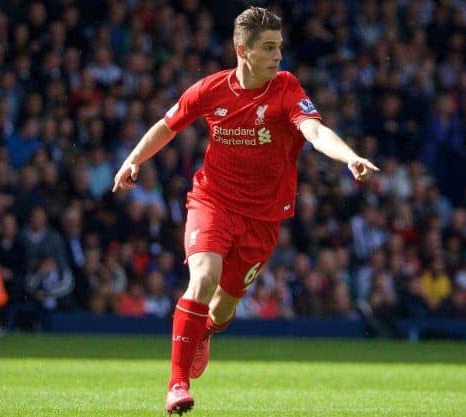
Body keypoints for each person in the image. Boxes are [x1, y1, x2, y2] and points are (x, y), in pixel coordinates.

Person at [112, 7, 379, 416]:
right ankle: (176, 385)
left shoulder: (287, 88)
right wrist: (133, 160)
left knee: (223, 307)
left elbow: (313, 130)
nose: (277, 56)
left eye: (280, 47)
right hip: (212, 202)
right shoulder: (210, 89)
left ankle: (205, 331)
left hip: (263, 219)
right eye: (269, 48)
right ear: (243, 50)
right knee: (202, 279)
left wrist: (349, 157)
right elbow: (167, 125)